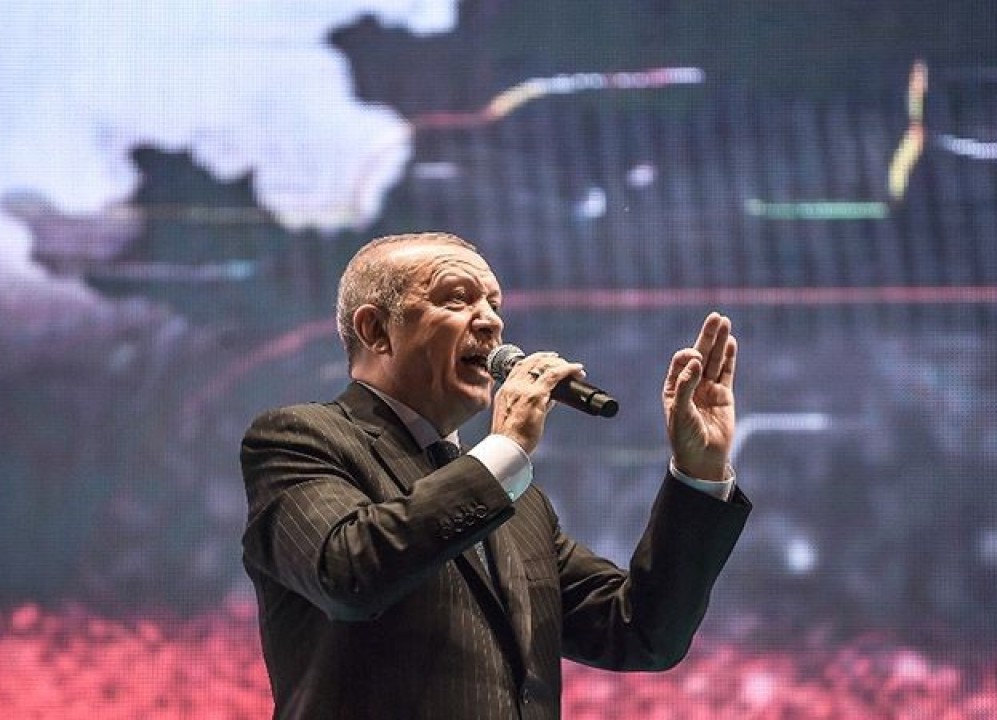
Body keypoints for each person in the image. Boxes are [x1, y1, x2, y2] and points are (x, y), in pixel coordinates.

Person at [240, 231, 750, 719]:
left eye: (495, 306)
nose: (489, 323)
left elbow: (642, 633)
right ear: (376, 331)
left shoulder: (519, 504)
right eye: (457, 300)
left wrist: (698, 471)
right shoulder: (299, 440)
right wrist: (506, 447)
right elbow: (347, 574)